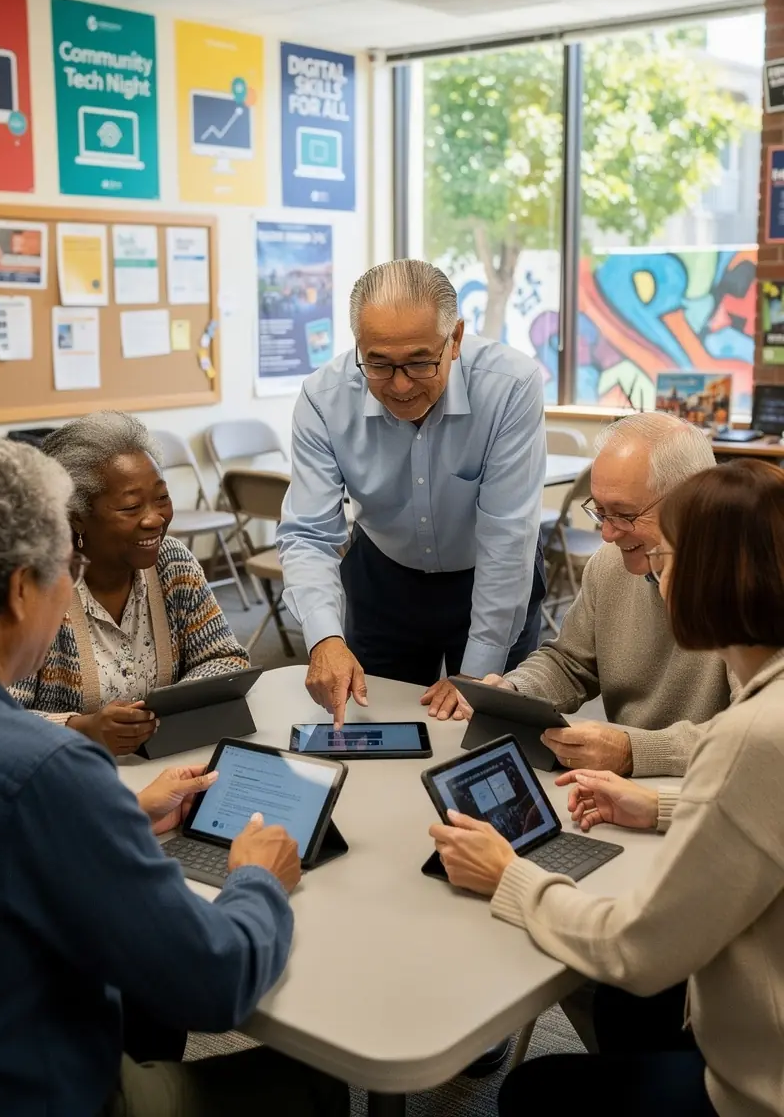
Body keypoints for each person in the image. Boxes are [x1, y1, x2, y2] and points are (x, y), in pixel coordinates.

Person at [0, 433, 349, 1117]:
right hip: (37, 1090)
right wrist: (257, 879)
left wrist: (109, 821)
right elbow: (216, 983)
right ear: (24, 590)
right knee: (316, 1085)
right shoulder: (49, 770)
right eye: (63, 566)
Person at [430, 459, 784, 1117]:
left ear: (706, 574)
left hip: (758, 1089)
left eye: (663, 552)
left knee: (535, 1092)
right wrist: (658, 805)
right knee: (627, 1008)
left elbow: (638, 949)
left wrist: (509, 875)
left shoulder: (753, 735)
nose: (650, 566)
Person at [277, 259, 547, 729]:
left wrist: (477, 671)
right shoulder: (325, 398)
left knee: (489, 732)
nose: (400, 385)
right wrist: (324, 639)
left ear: (455, 339)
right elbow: (308, 534)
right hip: (386, 579)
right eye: (378, 363)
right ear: (357, 343)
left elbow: (507, 537)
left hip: (490, 574)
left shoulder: (510, 386)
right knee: (376, 726)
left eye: (421, 362)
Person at [486, 412, 731, 777]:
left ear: (692, 502)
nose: (607, 535)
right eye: (601, 513)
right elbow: (571, 663)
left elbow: (759, 733)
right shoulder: (610, 566)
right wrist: (513, 692)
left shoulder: (754, 587)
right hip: (623, 789)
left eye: (624, 515)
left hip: (709, 788)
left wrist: (636, 752)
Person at [11, 411, 250, 758]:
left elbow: (227, 658)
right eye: (131, 506)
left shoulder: (172, 561)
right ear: (76, 515)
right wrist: (80, 728)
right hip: (65, 776)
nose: (155, 519)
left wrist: (165, 708)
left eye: (162, 498)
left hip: (169, 765)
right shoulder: (34, 588)